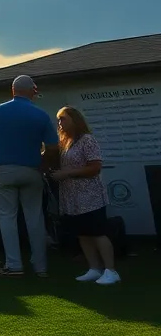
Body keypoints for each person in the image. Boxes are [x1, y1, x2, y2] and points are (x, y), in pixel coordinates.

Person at [0, 75, 59, 277]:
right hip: (32, 170)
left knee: (7, 217)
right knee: (35, 217)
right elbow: (53, 147)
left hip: (4, 169)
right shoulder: (41, 114)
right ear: (33, 91)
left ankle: (14, 265)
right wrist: (43, 163)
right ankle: (40, 267)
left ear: (13, 90)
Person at [51, 107, 119, 285]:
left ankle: (111, 270)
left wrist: (67, 173)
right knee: (82, 234)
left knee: (97, 233)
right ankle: (94, 268)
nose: (60, 123)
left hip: (90, 197)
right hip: (72, 199)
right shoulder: (65, 142)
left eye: (63, 119)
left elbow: (95, 167)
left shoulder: (87, 140)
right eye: (58, 120)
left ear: (75, 120)